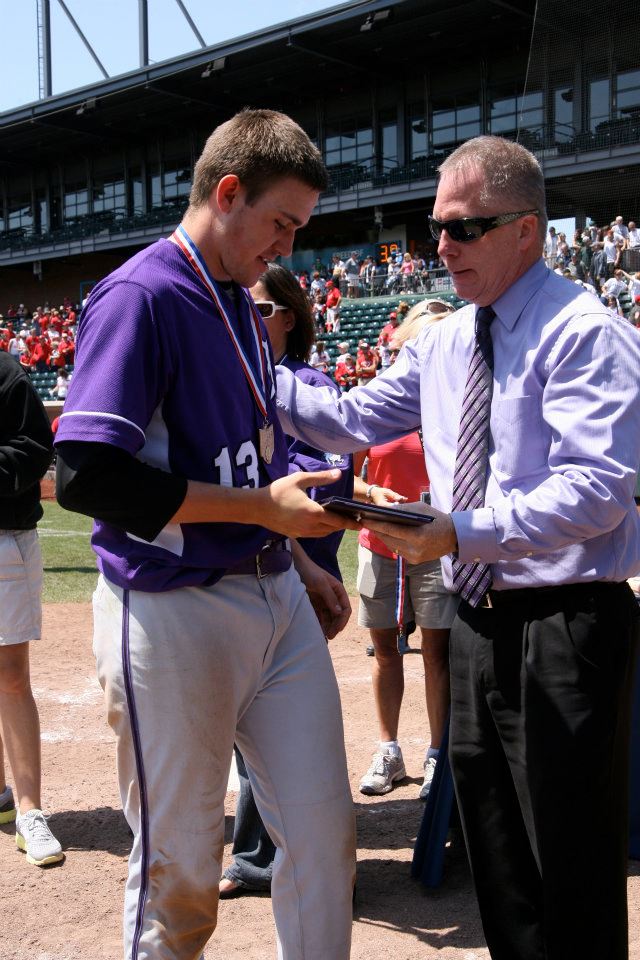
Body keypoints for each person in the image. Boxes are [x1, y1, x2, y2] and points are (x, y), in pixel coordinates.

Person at [274, 134, 640, 960]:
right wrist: (245, 367)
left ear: (527, 232)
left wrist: (458, 530)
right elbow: (352, 419)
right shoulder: (444, 340)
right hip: (475, 620)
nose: (441, 244)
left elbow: (596, 489)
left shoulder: (584, 332)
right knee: (499, 863)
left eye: (465, 227)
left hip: (566, 626)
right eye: (435, 225)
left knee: (570, 869)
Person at [55, 108, 356, 960]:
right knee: (181, 879)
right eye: (280, 222)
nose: (287, 247)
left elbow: (248, 467)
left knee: (326, 842)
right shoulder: (141, 293)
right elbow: (87, 480)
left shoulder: (237, 295)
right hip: (171, 608)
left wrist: (295, 555)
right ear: (228, 192)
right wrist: (265, 514)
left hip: (273, 595)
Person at [220, 263, 353, 900]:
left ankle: (278, 860)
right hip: (235, 578)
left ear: (291, 316)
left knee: (284, 730)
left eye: (265, 309)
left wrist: (267, 505)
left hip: (297, 573)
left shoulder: (308, 386)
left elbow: (328, 485)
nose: (253, 317)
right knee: (249, 728)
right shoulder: (226, 384)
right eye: (242, 306)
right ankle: (254, 854)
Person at [355, 303, 458, 801]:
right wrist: (370, 495)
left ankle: (438, 755)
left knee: (438, 655)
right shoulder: (378, 404)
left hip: (439, 547)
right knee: (386, 653)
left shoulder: (461, 399)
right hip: (380, 545)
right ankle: (389, 750)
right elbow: (346, 473)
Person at [0, 351, 63, 867]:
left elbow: (34, 447)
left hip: (3, 540)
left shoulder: (5, 372)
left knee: (11, 678)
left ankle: (29, 810)